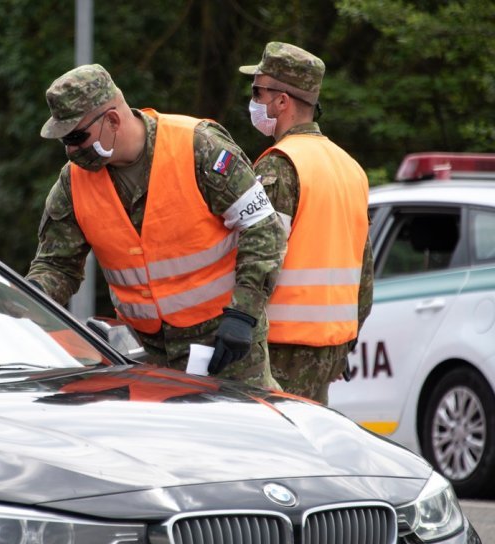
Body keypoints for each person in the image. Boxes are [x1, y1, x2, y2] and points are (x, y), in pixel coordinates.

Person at [26, 63, 286, 389]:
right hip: (144, 354)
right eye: (64, 140)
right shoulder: (72, 184)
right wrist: (31, 295)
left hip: (225, 342)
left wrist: (243, 314)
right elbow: (56, 265)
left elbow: (263, 227)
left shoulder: (197, 148)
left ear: (113, 120)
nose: (71, 150)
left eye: (77, 136)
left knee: (244, 434)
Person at [238, 41, 374, 404]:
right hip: (330, 349)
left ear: (282, 101)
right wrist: (347, 339)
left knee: (272, 450)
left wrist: (237, 323)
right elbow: (365, 274)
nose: (253, 101)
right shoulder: (351, 168)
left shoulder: (280, 165)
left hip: (281, 348)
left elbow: (260, 257)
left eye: (258, 91)